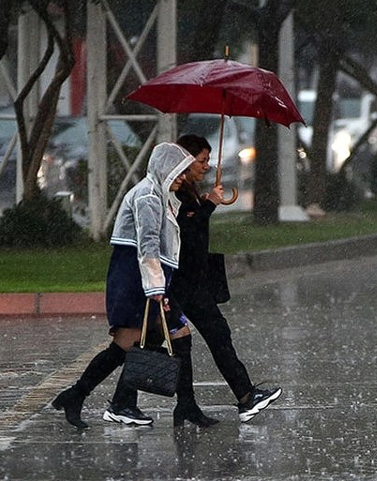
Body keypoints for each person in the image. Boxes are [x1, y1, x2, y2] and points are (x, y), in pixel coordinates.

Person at [105, 134, 281, 428]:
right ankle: (123, 402)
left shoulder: (186, 190)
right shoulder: (174, 192)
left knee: (213, 337)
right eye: (201, 160)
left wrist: (206, 202)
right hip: (181, 282)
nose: (206, 166)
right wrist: (209, 205)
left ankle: (239, 397)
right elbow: (183, 231)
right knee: (158, 343)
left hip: (195, 282)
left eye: (206, 160)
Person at [53, 142, 194, 429]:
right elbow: (148, 245)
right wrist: (156, 289)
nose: (183, 177)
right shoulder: (148, 197)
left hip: (144, 278)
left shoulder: (160, 195)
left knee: (155, 340)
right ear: (164, 169)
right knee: (126, 344)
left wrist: (160, 286)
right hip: (135, 279)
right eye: (179, 171)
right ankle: (86, 396)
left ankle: (116, 401)